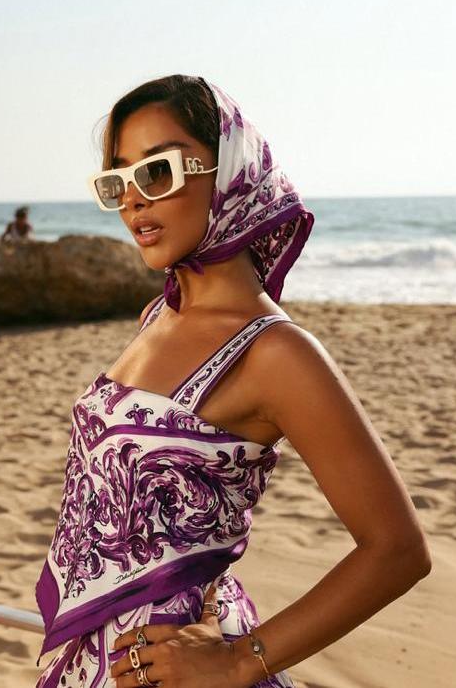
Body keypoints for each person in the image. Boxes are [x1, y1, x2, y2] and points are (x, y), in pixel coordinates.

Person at [34, 75, 432, 688]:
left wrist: (239, 659)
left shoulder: (276, 353)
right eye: (118, 181)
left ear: (228, 173)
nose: (133, 201)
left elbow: (398, 549)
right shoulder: (158, 315)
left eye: (157, 172)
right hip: (92, 663)